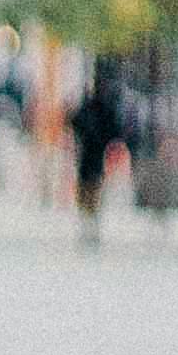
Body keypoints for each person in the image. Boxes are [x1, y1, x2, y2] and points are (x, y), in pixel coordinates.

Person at [63, 61, 133, 242]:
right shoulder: (101, 106)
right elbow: (114, 130)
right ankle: (89, 216)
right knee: (90, 184)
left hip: (91, 152)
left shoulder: (96, 105)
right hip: (91, 152)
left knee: (90, 184)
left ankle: (89, 216)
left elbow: (77, 123)